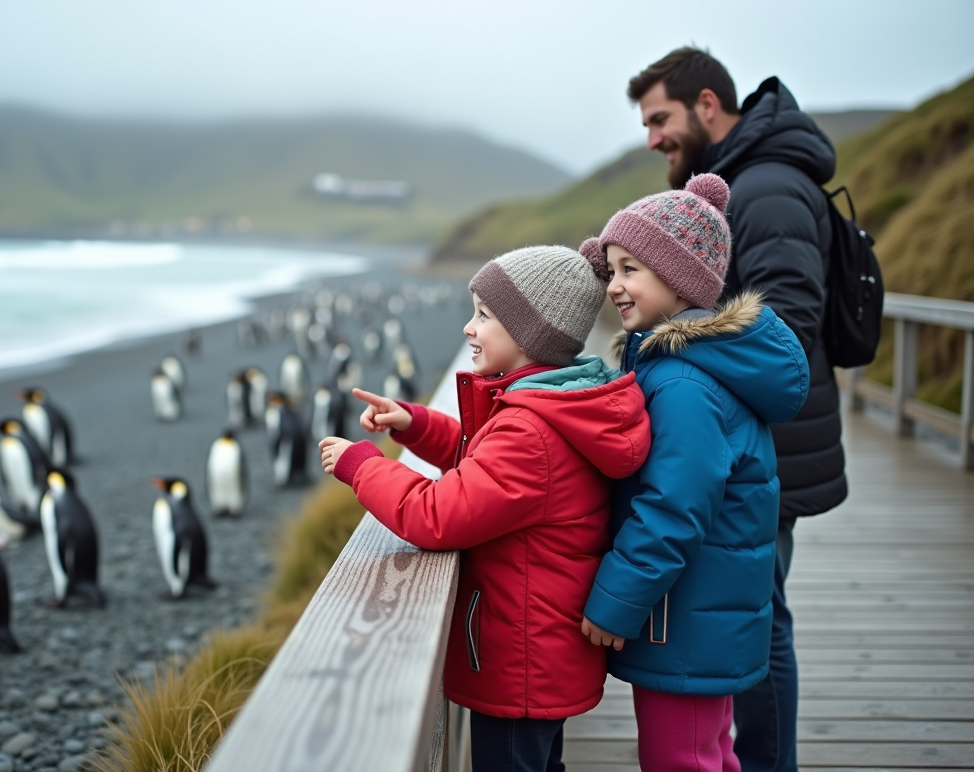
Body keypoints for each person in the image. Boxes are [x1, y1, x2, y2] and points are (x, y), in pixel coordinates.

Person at [318, 245, 651, 772]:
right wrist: (417, 425)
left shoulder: (529, 431)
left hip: (519, 661)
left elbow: (437, 514)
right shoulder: (551, 408)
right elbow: (485, 471)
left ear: (529, 335)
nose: (468, 328)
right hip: (541, 653)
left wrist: (362, 466)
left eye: (485, 315)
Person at [626, 47, 847, 771]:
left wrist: (687, 355)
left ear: (707, 105)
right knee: (749, 614)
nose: (652, 138)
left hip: (764, 446)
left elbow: (789, 324)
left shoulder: (768, 186)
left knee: (757, 620)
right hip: (755, 441)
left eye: (660, 118)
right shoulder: (750, 182)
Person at [577, 173, 809, 772]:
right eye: (611, 269)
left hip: (683, 620)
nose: (614, 285)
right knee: (708, 752)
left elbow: (674, 508)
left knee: (681, 759)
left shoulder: (682, 384)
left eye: (630, 269)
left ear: (679, 278)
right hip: (699, 615)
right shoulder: (687, 365)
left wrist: (616, 599)